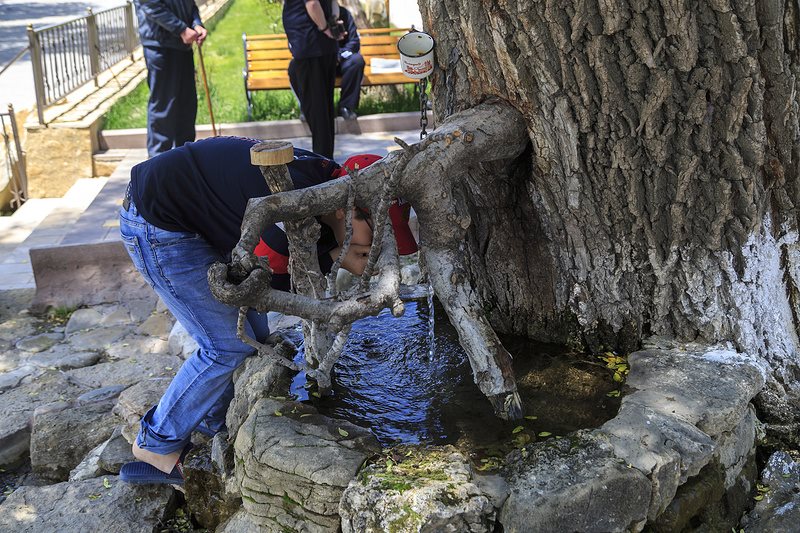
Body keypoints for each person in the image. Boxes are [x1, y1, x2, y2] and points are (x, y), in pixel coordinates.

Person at [117, 136, 417, 484]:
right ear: (344, 211)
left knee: (253, 338)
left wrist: (340, 251)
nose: (378, 246)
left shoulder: (330, 184)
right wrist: (337, 256)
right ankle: (155, 444)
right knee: (228, 345)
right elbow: (268, 286)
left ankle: (215, 422)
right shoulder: (293, 202)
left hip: (193, 215)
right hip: (158, 223)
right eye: (375, 234)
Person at [134, 0, 207, 158]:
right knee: (164, 108)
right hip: (160, 46)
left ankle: (184, 161)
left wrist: (196, 24)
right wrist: (181, 29)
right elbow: (149, 5)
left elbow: (190, 4)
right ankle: (158, 165)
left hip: (183, 46)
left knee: (187, 107)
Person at [283, 0, 342, 158]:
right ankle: (327, 160)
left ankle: (323, 163)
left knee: (317, 110)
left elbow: (312, 4)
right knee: (324, 109)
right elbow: (334, 3)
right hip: (322, 48)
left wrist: (324, 28)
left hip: (310, 47)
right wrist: (332, 23)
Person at [289, 6, 364, 121]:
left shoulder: (344, 14)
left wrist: (337, 56)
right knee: (294, 67)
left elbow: (354, 42)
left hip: (340, 63)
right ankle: (309, 107)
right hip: (315, 62)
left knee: (356, 61)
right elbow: (296, 45)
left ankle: (346, 107)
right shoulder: (305, 17)